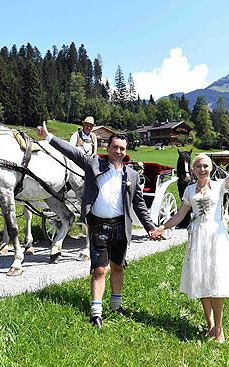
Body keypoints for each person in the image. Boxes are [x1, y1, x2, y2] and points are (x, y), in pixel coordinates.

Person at [36, 122, 160, 330]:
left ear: (125, 151)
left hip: (120, 226)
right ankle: (96, 313)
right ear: (107, 148)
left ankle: (116, 305)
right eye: (115, 147)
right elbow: (72, 152)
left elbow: (139, 204)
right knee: (100, 269)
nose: (118, 151)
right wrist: (48, 137)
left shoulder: (132, 175)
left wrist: (150, 227)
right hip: (98, 226)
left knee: (117, 266)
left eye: (122, 148)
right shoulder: (94, 164)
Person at [153, 140, 229, 343]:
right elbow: (180, 215)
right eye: (198, 166)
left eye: (205, 166)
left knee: (216, 281)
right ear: (193, 169)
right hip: (197, 237)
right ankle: (209, 325)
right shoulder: (189, 191)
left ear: (211, 168)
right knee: (201, 280)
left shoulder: (220, 185)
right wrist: (163, 227)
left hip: (216, 236)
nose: (202, 169)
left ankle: (219, 328)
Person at [70, 116, 98, 261]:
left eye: (91, 126)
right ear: (83, 125)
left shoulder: (93, 137)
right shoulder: (76, 135)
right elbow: (70, 150)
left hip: (89, 164)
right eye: (87, 125)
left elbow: (94, 153)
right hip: (76, 163)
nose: (89, 127)